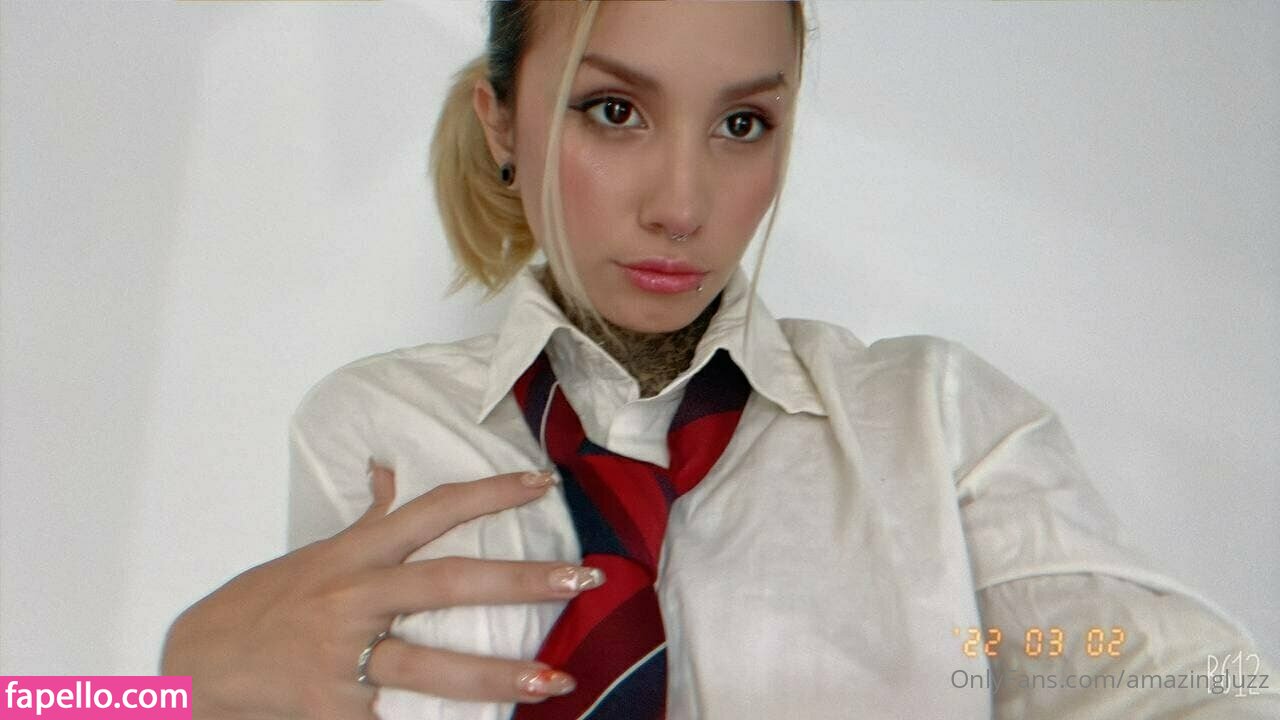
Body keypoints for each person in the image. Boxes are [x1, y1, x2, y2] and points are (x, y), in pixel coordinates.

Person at [161, 2, 1279, 719]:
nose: (683, 204)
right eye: (614, 110)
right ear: (500, 122)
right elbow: (68, 699)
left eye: (742, 125)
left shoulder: (938, 427)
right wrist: (163, 687)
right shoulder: (365, 427)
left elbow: (1192, 689)